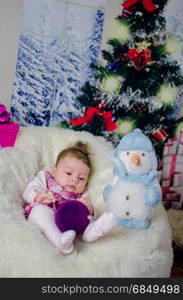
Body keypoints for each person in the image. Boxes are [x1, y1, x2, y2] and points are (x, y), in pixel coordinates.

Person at [23, 141, 94, 255]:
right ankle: (60, 242)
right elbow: (29, 190)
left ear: (86, 183)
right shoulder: (45, 177)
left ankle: (92, 233)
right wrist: (38, 196)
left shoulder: (82, 195)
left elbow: (88, 214)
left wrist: (88, 208)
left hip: (65, 225)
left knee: (89, 221)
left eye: (81, 178)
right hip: (42, 217)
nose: (75, 180)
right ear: (54, 171)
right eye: (69, 173)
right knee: (39, 211)